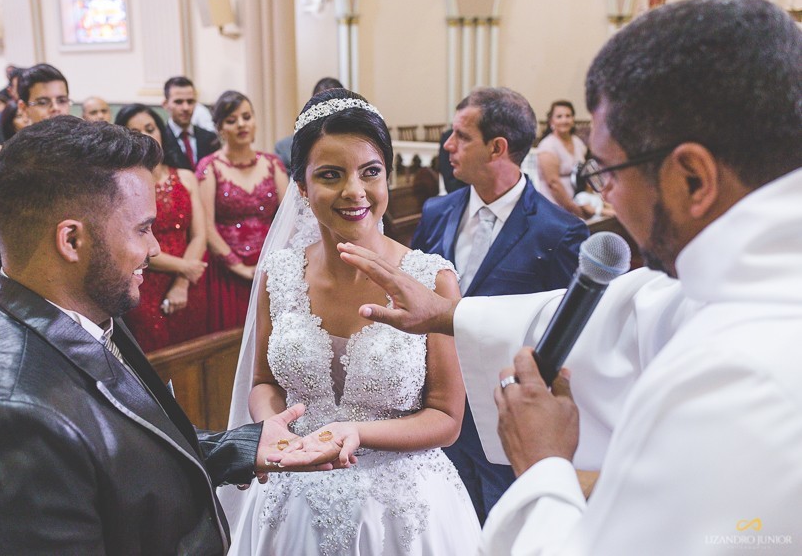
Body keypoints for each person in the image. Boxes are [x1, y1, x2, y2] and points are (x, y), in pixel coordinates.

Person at [337, 0, 802, 555]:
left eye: (605, 171)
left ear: (693, 179)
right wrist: (453, 313)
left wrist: (542, 467)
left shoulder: (738, 378)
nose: (603, 192)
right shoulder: (749, 282)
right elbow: (635, 310)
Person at [0, 115, 350, 555]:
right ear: (71, 241)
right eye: (143, 228)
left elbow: (118, 456)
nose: (156, 249)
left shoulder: (79, 307)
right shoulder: (1, 426)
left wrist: (241, 445)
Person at [225, 88, 481, 555]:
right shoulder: (279, 276)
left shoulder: (432, 279)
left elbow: (447, 417)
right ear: (302, 187)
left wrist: (357, 433)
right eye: (330, 175)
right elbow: (263, 382)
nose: (354, 191)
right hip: (294, 501)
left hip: (404, 510)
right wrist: (272, 425)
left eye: (371, 172)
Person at [411, 86, 587, 523]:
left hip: (504, 421)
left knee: (502, 531)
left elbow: (566, 339)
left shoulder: (558, 233)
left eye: (461, 136)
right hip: (435, 412)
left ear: (498, 148)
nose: (447, 146)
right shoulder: (438, 212)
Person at [114, 104, 210, 351]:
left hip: (189, 284)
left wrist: (182, 281)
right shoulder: (121, 185)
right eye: (135, 131)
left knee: (196, 354)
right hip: (145, 279)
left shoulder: (186, 176)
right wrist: (186, 268)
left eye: (150, 128)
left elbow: (199, 234)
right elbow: (130, 241)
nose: (146, 136)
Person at [196, 90, 288, 331]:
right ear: (219, 128)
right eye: (231, 120)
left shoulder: (273, 164)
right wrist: (238, 266)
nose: (241, 125)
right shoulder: (210, 167)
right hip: (229, 269)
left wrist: (274, 262)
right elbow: (206, 225)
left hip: (271, 264)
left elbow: (289, 217)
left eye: (246, 117)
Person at [535, 100, 594, 219]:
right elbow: (553, 184)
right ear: (551, 121)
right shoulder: (547, 146)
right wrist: (573, 208)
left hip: (579, 201)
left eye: (568, 116)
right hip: (555, 206)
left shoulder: (578, 142)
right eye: (559, 117)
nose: (564, 120)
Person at [274, 76, 344, 169]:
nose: (328, 112)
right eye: (322, 105)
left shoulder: (356, 143)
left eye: (334, 106)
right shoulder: (285, 149)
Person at [161, 76, 220, 170]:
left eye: (190, 101)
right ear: (165, 104)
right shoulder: (160, 140)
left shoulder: (210, 138)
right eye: (178, 102)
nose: (186, 108)